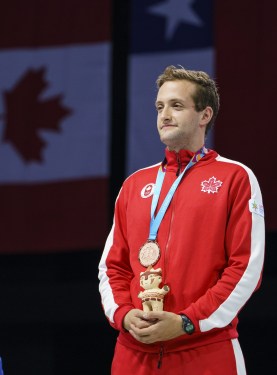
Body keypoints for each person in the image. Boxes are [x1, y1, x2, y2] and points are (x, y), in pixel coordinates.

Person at [98, 65, 265, 374]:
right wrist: (122, 313)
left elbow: (245, 269)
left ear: (204, 115)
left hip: (205, 349)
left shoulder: (235, 177)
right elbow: (113, 266)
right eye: (160, 107)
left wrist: (189, 322)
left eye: (177, 105)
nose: (165, 114)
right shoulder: (134, 185)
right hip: (133, 354)